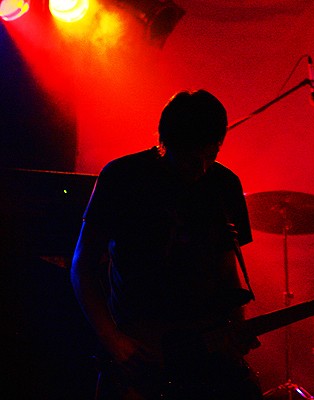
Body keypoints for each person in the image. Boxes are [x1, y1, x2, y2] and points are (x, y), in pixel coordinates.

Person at [71, 89, 262, 399]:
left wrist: (236, 329)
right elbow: (82, 266)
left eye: (211, 155)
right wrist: (113, 340)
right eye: (191, 158)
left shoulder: (225, 185)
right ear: (166, 143)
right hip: (141, 348)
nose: (202, 168)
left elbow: (227, 267)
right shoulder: (123, 176)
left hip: (204, 348)